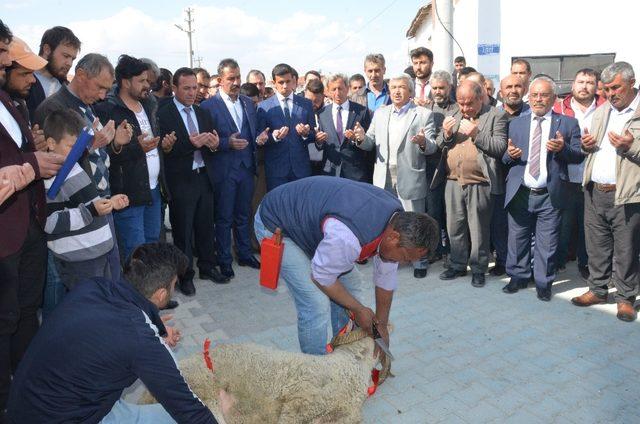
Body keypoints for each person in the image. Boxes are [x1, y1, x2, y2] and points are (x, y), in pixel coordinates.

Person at [6, 242, 225, 423]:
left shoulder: (94, 287)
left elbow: (116, 329)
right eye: (174, 284)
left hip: (27, 408)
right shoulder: (140, 339)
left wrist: (154, 327)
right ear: (160, 294)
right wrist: (221, 410)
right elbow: (188, 410)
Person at [254, 176, 439, 355]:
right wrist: (358, 309)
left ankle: (344, 353)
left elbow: (385, 278)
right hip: (277, 225)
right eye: (405, 257)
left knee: (351, 288)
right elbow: (321, 276)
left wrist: (381, 325)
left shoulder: (396, 223)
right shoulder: (348, 237)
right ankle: (316, 372)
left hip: (312, 225)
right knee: (315, 303)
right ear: (393, 238)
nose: (402, 263)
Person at [0, 20, 65, 417]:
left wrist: (33, 149)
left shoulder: (13, 103)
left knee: (26, 314)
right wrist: (30, 161)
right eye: (8, 61)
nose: (7, 66)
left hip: (27, 228)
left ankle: (27, 385)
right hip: (5, 238)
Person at [501, 77, 583, 301]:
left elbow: (578, 155)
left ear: (553, 99)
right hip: (521, 191)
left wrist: (562, 148)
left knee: (547, 242)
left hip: (549, 193)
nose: (538, 99)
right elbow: (505, 157)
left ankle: (543, 283)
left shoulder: (567, 124)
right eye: (535, 95)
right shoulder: (516, 123)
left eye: (544, 95)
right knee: (517, 239)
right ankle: (517, 277)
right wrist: (510, 155)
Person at [571, 62, 640, 322]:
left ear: (631, 83)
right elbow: (591, 148)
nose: (611, 94)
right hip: (594, 191)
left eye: (616, 88)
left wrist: (631, 147)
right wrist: (586, 146)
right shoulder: (601, 112)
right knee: (596, 246)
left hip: (627, 194)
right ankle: (598, 290)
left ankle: (625, 298)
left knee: (626, 249)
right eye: (607, 89)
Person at [354, 74, 437, 278]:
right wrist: (361, 138)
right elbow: (370, 142)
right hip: (383, 175)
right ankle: (388, 257)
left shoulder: (423, 114)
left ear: (410, 91)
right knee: (386, 220)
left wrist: (423, 142)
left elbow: (433, 146)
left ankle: (419, 261)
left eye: (402, 87)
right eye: (393, 87)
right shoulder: (381, 113)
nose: (397, 91)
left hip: (409, 175)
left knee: (415, 220)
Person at [94, 55, 171, 262]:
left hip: (153, 190)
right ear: (126, 82)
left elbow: (152, 143)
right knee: (134, 251)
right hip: (128, 195)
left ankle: (152, 294)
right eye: (142, 81)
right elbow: (104, 154)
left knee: (152, 245)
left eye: (148, 80)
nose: (148, 85)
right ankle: (135, 294)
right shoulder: (108, 110)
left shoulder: (149, 105)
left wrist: (163, 146)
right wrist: (136, 148)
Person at [158, 67, 227, 296]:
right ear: (174, 88)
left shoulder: (202, 112)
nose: (191, 92)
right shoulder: (163, 112)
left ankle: (207, 267)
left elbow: (211, 145)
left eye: (194, 88)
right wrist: (192, 143)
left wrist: (214, 144)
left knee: (206, 226)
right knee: (183, 231)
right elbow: (165, 148)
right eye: (186, 88)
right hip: (180, 180)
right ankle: (185, 275)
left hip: (204, 177)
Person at [433, 80, 508, 287]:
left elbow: (500, 148)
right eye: (460, 103)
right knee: (454, 226)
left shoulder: (495, 115)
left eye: (469, 103)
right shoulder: (454, 114)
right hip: (453, 181)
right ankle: (457, 265)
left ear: (480, 97)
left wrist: (476, 134)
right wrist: (447, 134)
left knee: (478, 229)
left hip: (479, 182)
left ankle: (478, 268)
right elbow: (440, 144)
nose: (464, 108)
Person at [43, 109, 129, 289]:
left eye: (80, 146)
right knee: (91, 310)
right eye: (71, 146)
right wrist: (91, 211)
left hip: (98, 252)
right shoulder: (49, 176)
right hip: (81, 260)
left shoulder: (72, 166)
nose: (77, 152)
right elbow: (49, 222)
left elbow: (87, 203)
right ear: (51, 143)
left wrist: (110, 202)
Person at [200, 58, 263, 280]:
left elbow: (253, 132)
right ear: (219, 80)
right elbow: (207, 141)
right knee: (224, 217)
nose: (236, 82)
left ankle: (244, 254)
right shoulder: (208, 107)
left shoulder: (247, 102)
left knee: (243, 214)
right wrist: (227, 143)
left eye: (238, 77)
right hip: (224, 170)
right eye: (231, 78)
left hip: (246, 169)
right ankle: (225, 260)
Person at [552, 68, 606, 279]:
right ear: (572, 85)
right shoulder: (559, 109)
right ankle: (558, 261)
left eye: (590, 82)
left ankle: (585, 264)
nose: (584, 86)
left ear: (596, 86)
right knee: (561, 224)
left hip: (591, 178)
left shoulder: (606, 109)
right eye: (580, 82)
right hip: (564, 177)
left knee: (589, 227)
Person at [256, 63, 316, 191]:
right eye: (281, 82)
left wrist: (306, 133)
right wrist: (274, 137)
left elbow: (313, 134)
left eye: (288, 81)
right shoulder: (264, 107)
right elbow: (260, 138)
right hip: (276, 170)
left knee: (301, 206)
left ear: (293, 80)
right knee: (279, 207)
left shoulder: (306, 104)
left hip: (301, 168)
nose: (285, 86)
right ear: (274, 83)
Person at [425, 70, 458, 265]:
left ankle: (453, 250)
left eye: (442, 88)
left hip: (453, 167)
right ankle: (436, 249)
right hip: (431, 169)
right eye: (435, 87)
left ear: (450, 87)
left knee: (452, 213)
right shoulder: (423, 108)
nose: (438, 91)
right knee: (434, 211)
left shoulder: (458, 108)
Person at [315, 73, 371, 182]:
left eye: (340, 88)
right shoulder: (322, 113)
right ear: (328, 91)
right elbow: (320, 146)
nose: (337, 93)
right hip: (330, 172)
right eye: (333, 89)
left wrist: (357, 139)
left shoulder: (361, 111)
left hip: (355, 172)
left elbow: (369, 144)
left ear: (347, 89)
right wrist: (319, 141)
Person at [25, 26, 80, 122]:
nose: (69, 63)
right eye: (66, 56)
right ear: (47, 50)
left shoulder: (66, 86)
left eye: (72, 59)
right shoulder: (25, 83)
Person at [303, 78, 326, 175]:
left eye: (317, 101)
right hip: (304, 164)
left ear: (323, 97)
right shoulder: (298, 113)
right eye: (309, 100)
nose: (312, 104)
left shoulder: (329, 113)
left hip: (324, 166)